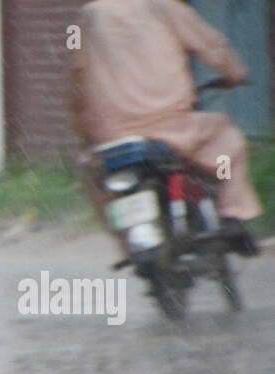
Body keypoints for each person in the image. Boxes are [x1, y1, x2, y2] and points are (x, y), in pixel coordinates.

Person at [71, 0, 262, 238]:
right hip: (169, 126)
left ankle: (125, 246)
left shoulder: (86, 18)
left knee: (97, 179)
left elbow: (76, 71)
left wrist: (83, 128)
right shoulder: (165, 7)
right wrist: (235, 72)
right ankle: (232, 211)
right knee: (227, 146)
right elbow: (211, 45)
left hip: (112, 134)